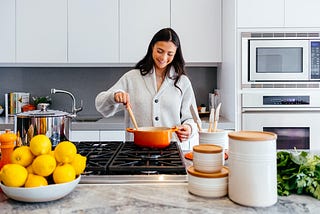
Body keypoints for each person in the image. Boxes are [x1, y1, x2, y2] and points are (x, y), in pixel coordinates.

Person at [95, 28, 199, 143]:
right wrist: (114, 97)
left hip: (171, 151)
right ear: (152, 47)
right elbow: (100, 105)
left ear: (175, 54)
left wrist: (189, 128)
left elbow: (191, 118)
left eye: (170, 54)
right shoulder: (132, 78)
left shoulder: (182, 82)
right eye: (160, 51)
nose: (164, 58)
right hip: (136, 151)